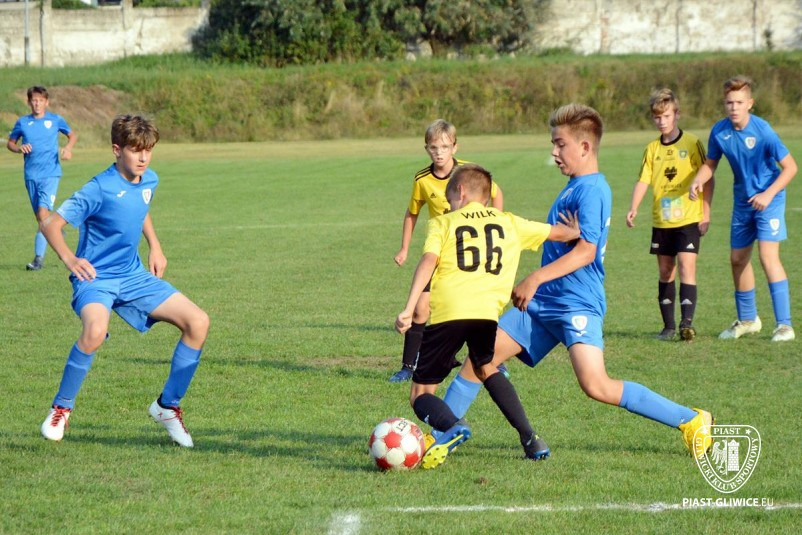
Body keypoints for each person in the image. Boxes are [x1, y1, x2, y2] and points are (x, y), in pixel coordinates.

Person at [437, 104, 713, 462]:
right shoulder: (573, 187)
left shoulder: (593, 189)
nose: (554, 152)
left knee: (597, 386)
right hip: (543, 304)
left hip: (576, 303)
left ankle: (692, 420)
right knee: (478, 359)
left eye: (560, 144)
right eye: (553, 144)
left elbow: (586, 251)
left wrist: (534, 277)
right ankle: (437, 438)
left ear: (584, 147)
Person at [38, 115, 210, 447]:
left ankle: (167, 407)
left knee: (198, 322)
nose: (143, 158)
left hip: (133, 276)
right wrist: (70, 259)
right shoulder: (98, 188)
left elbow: (140, 206)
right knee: (95, 332)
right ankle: (61, 409)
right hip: (96, 279)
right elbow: (51, 225)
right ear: (117, 150)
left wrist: (155, 245)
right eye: (135, 150)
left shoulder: (149, 179)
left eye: (148, 150)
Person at [395, 163, 580, 468]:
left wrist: (408, 307)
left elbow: (428, 261)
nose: (449, 206)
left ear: (461, 191)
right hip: (487, 315)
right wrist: (574, 229)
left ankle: (452, 426)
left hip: (451, 312)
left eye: (450, 199)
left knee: (420, 393)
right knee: (485, 367)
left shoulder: (443, 223)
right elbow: (559, 233)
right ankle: (531, 438)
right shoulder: (509, 222)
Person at [390, 119, 505, 382]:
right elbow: (412, 212)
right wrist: (404, 248)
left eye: (444, 147)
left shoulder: (468, 173)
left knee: (475, 305)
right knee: (420, 309)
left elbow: (496, 193)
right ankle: (408, 367)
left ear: (454, 147)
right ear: (426, 149)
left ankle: (491, 361)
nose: (439, 153)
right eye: (433, 148)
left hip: (466, 252)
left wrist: (494, 219)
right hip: (438, 249)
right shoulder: (422, 179)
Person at [690, 75, 797, 342]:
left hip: (769, 200)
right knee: (737, 259)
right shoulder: (720, 131)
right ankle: (748, 320)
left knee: (767, 257)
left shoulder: (763, 131)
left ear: (750, 103)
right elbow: (711, 164)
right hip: (742, 202)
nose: (734, 107)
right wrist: (698, 180)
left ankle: (784, 325)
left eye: (739, 102)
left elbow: (791, 167)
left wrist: (768, 194)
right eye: (729, 102)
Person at [626, 88, 714, 341]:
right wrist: (634, 207)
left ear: (677, 115)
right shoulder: (652, 149)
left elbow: (708, 178)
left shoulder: (692, 143)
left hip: (689, 218)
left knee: (687, 266)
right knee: (666, 271)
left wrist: (705, 212)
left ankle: (687, 324)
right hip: (662, 220)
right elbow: (643, 180)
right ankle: (668, 327)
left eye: (666, 116)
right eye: (657, 117)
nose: (662, 121)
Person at [6, 86, 78, 271]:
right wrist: (19, 148)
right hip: (31, 175)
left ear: (47, 102)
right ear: (29, 102)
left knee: (43, 214)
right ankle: (55, 228)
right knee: (41, 219)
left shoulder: (55, 120)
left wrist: (68, 148)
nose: (37, 103)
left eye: (40, 100)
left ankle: (39, 260)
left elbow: (72, 135)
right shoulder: (23, 122)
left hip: (50, 174)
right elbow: (11, 143)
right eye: (34, 100)